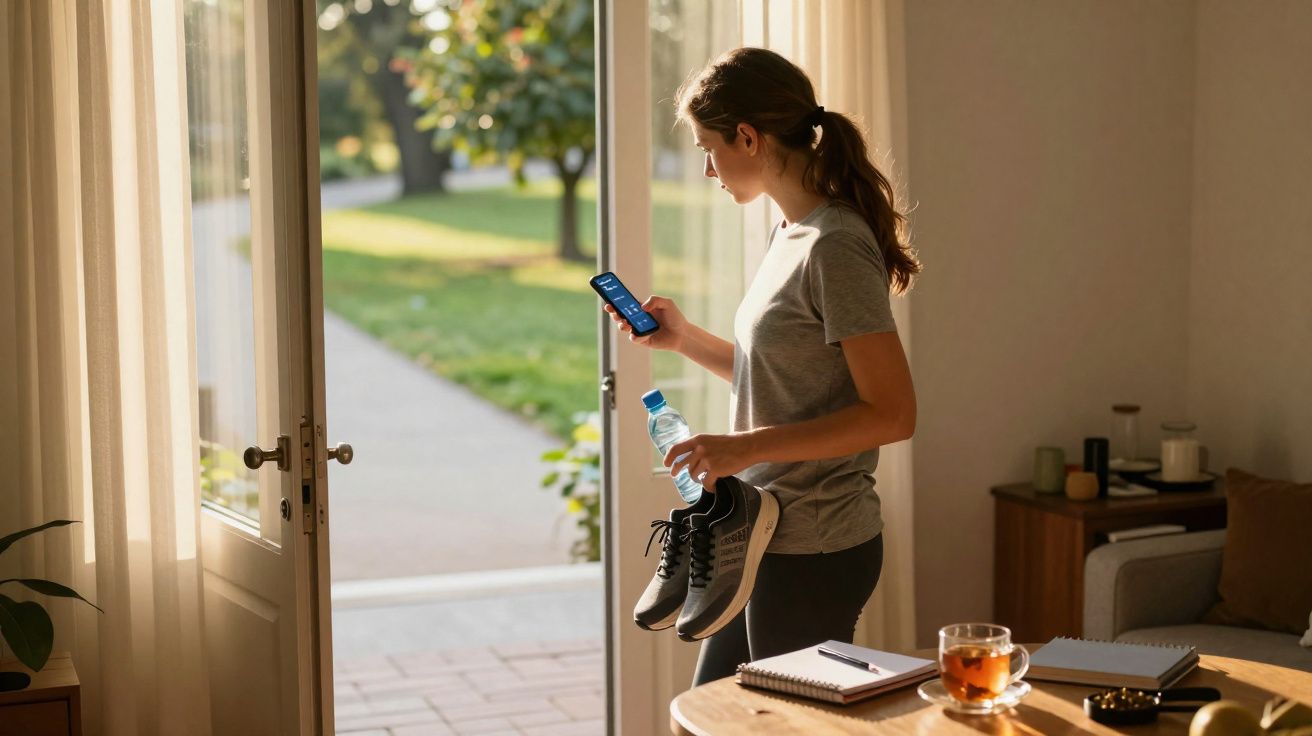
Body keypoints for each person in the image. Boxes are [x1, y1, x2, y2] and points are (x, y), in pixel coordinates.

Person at [606, 47, 921, 686]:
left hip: (817, 540)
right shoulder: (790, 233)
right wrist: (685, 338)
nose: (705, 169)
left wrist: (740, 447)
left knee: (765, 722)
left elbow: (893, 414)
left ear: (747, 137)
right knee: (715, 711)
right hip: (756, 532)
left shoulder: (835, 244)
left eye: (708, 148)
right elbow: (780, 379)